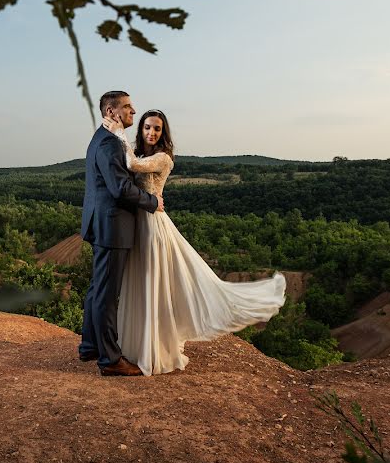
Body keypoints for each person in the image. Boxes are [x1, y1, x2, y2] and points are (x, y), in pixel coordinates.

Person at [103, 109, 286, 376]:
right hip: (138, 226)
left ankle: (153, 351)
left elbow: (132, 166)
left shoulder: (163, 158)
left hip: (153, 227)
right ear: (141, 130)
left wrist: (118, 133)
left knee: (152, 285)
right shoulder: (141, 153)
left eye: (157, 129)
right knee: (140, 284)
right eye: (147, 128)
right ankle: (136, 347)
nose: (152, 133)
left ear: (163, 134)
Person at [79, 91, 165, 377]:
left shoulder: (100, 138)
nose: (133, 110)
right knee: (106, 294)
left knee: (97, 289)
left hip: (101, 222)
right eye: (127, 107)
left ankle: (90, 345)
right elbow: (120, 189)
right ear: (111, 111)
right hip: (112, 226)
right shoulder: (110, 144)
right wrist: (152, 202)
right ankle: (110, 360)